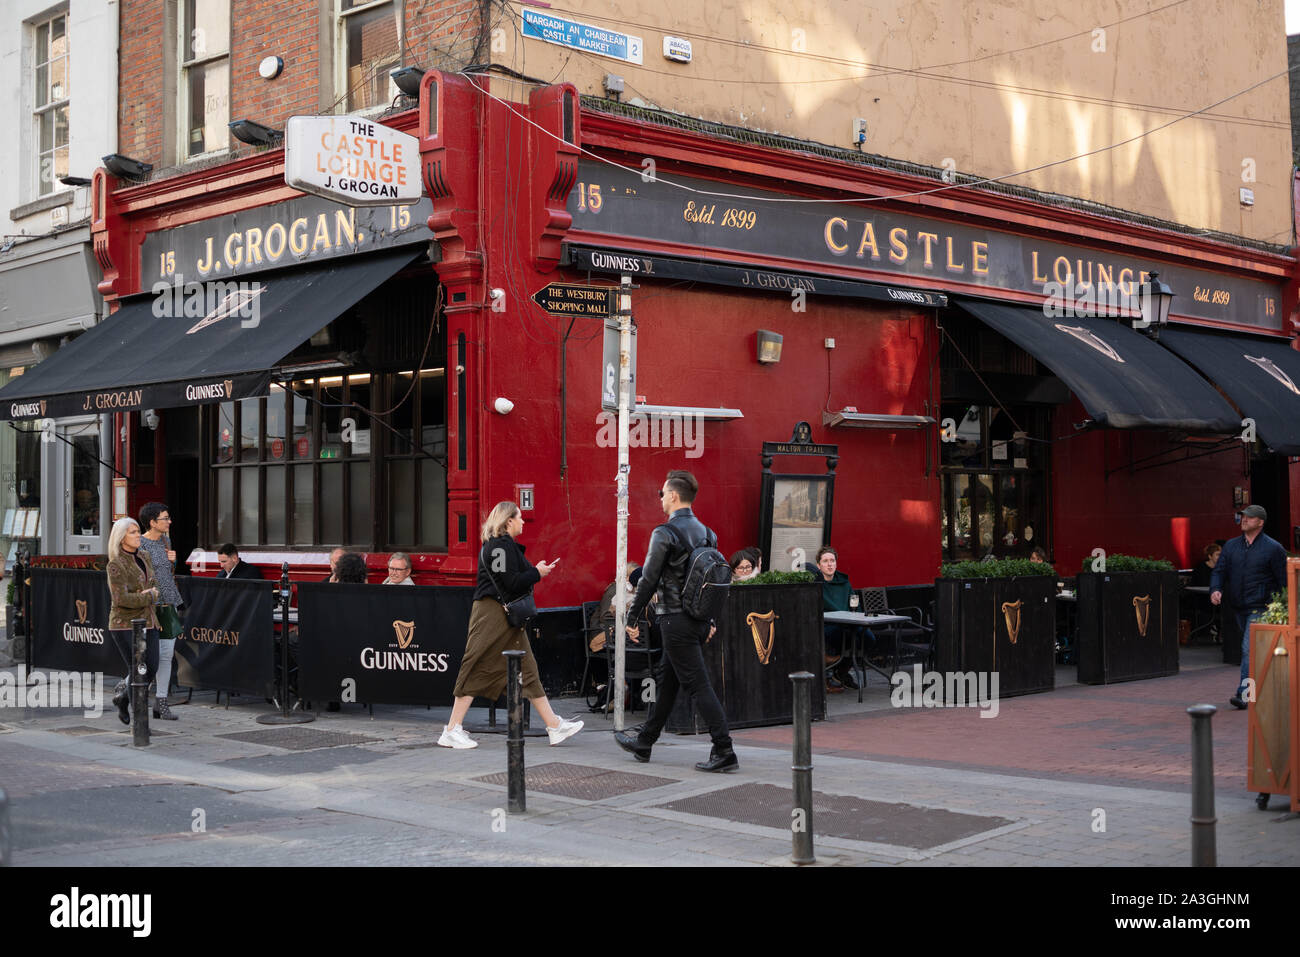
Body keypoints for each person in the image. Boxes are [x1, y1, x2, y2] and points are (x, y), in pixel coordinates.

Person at [614, 470, 737, 773]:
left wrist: (632, 617)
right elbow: (710, 582)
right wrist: (709, 620)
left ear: (672, 495)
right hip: (697, 619)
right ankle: (645, 741)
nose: (660, 499)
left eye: (662, 493)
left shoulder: (664, 533)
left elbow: (648, 580)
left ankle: (724, 749)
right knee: (667, 681)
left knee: (698, 685)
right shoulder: (708, 533)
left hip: (674, 619)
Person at [438, 501, 582, 749]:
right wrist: (537, 573)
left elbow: (511, 579)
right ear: (509, 521)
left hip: (503, 615)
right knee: (475, 663)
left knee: (528, 669)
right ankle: (451, 730)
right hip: (491, 613)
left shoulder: (501, 546)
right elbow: (511, 582)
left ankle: (554, 726)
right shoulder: (499, 546)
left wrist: (536, 571)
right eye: (520, 517)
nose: (523, 521)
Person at [1211, 505, 1287, 710]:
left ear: (1260, 522)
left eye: (1249, 517)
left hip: (1261, 607)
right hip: (1238, 606)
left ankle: (1244, 694)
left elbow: (1283, 580)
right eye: (1242, 516)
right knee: (1255, 652)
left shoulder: (1273, 548)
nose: (1244, 520)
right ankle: (1266, 686)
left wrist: (1281, 606)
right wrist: (1216, 589)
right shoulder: (1231, 546)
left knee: (1248, 650)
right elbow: (1219, 570)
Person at [106, 517, 161, 726]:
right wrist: (148, 596)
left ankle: (123, 698)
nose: (138, 535)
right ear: (121, 538)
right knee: (137, 669)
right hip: (125, 624)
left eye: (138, 531)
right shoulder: (115, 564)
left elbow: (155, 583)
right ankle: (140, 722)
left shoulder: (145, 556)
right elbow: (120, 599)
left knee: (151, 667)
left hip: (149, 621)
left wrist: (151, 593)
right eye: (132, 532)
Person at [137, 503, 183, 720]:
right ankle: (127, 690)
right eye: (165, 518)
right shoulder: (139, 544)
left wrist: (174, 562)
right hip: (148, 605)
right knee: (147, 656)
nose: (169, 521)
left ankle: (161, 701)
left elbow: (167, 573)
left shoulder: (166, 541)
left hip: (167, 603)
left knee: (166, 655)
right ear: (152, 522)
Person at [816, 545, 869, 693]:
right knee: (847, 637)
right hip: (828, 625)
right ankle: (837, 673)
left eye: (832, 561)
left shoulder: (844, 582)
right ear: (818, 565)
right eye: (825, 561)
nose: (829, 564)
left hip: (848, 622)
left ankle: (841, 673)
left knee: (868, 638)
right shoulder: (816, 584)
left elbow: (855, 604)